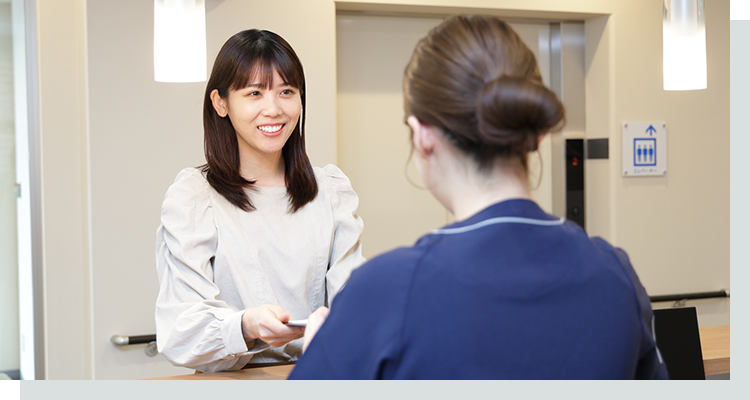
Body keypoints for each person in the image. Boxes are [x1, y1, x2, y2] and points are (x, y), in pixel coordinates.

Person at [288, 15, 668, 379]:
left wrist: (325, 353)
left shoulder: (385, 291)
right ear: (534, 134)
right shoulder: (615, 275)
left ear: (422, 135)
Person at [154, 29, 365, 373]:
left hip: (317, 376)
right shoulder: (195, 195)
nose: (274, 109)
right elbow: (181, 330)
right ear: (220, 103)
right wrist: (246, 326)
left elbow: (356, 302)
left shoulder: (329, 188)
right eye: (254, 93)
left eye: (286, 92)